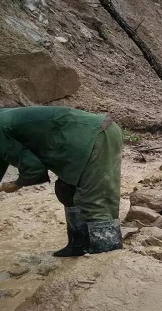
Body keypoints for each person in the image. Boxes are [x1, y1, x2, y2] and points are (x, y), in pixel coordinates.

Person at [0, 106, 123, 257]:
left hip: (95, 135)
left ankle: (106, 256)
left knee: (95, 200)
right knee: (66, 190)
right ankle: (79, 245)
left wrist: (16, 184)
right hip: (80, 139)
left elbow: (33, 168)